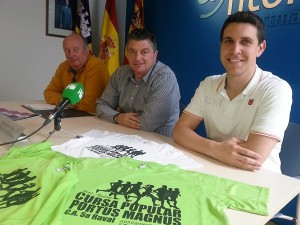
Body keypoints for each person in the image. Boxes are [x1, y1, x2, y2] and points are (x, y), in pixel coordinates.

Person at [173, 11, 292, 173]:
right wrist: (215, 148)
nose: (235, 50)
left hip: (256, 183)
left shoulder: (276, 89)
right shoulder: (209, 84)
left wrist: (205, 147)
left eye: (246, 42)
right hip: (211, 170)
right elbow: (180, 131)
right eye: (228, 41)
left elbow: (251, 157)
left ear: (260, 48)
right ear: (221, 46)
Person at [96, 28, 180, 137]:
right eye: (132, 52)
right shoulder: (121, 73)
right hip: (125, 136)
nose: (137, 58)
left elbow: (146, 124)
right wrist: (118, 117)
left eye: (144, 52)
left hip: (160, 143)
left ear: (155, 55)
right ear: (127, 54)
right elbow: (101, 106)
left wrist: (119, 118)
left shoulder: (165, 78)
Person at [44, 33, 110, 113]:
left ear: (86, 50)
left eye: (76, 49)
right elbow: (48, 93)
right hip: (72, 115)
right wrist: (62, 99)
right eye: (67, 50)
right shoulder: (63, 66)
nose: (71, 55)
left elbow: (90, 105)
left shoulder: (96, 66)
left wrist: (66, 101)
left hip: (92, 119)